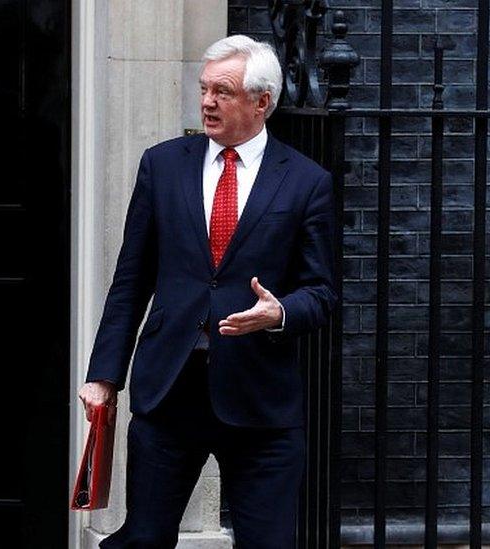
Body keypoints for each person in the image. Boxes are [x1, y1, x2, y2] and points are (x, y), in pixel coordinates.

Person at [78, 34, 336, 548]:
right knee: (143, 538)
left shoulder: (307, 181)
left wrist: (279, 312)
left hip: (260, 399)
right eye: (204, 89)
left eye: (223, 91)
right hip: (169, 390)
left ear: (262, 102)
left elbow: (323, 292)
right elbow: (131, 279)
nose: (207, 102)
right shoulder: (163, 164)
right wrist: (104, 376)